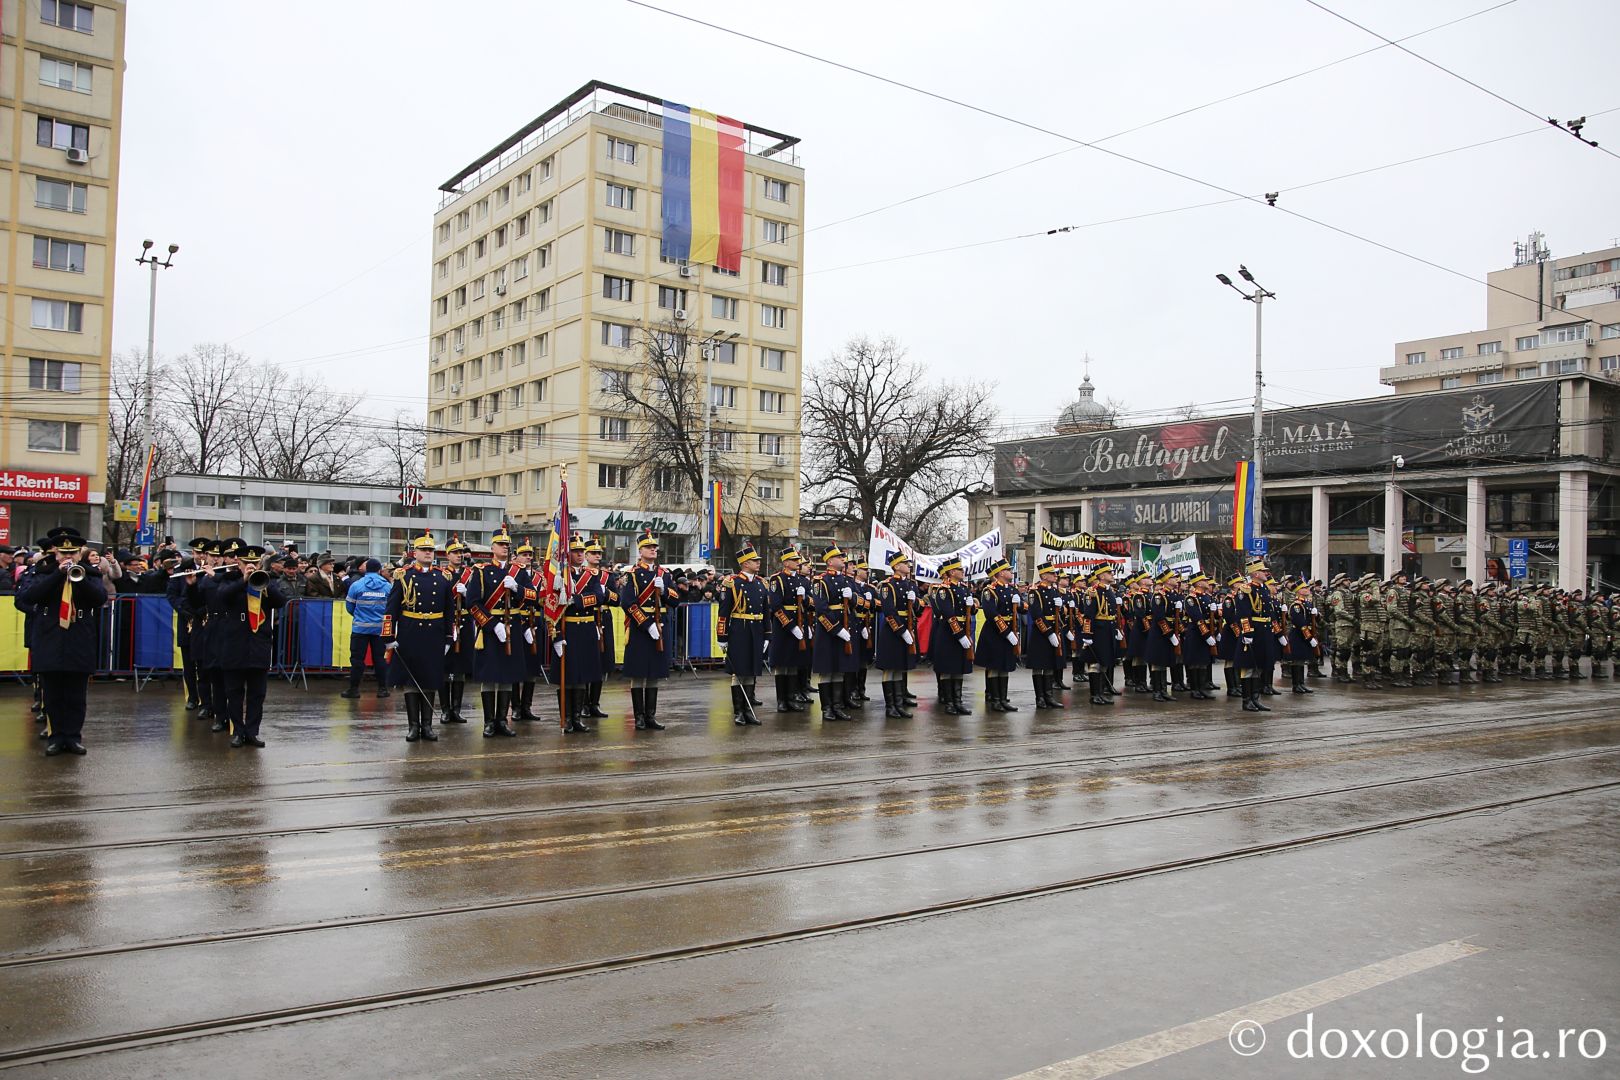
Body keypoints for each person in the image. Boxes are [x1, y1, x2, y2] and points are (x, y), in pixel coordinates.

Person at [23, 530, 108, 755]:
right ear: (55, 552)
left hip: (78, 637)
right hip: (50, 636)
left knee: (76, 695)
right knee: (52, 694)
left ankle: (72, 737)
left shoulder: (90, 573)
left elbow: (99, 598)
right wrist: (57, 575)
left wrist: (76, 578)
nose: (67, 557)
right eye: (63, 553)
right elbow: (31, 596)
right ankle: (55, 736)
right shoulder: (44, 571)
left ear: (80, 553)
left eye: (72, 552)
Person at [383, 534, 454, 742]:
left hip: (434, 633)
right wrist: (388, 635)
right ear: (415, 553)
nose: (428, 553)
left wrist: (449, 637)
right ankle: (413, 726)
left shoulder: (443, 577)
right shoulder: (403, 576)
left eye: (431, 550)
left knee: (430, 679)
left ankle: (427, 726)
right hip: (410, 632)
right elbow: (391, 609)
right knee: (411, 681)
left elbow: (449, 611)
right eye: (424, 550)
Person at [464, 530, 534, 737]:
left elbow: (533, 597)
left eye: (507, 544)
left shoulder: (519, 572)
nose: (505, 547)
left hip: (512, 626)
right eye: (500, 544)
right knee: (490, 676)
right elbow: (473, 604)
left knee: (508, 676)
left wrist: (517, 589)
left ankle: (502, 720)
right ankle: (488, 722)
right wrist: (493, 624)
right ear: (492, 548)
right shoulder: (481, 571)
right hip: (491, 629)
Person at [216, 544, 287, 748]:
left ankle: (252, 732)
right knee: (234, 693)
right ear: (238, 562)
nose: (251, 566)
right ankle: (237, 731)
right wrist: (243, 581)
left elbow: (281, 601)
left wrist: (265, 585)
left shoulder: (266, 580)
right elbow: (222, 598)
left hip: (259, 645)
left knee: (257, 694)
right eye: (246, 563)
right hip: (234, 645)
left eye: (254, 563)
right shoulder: (228, 579)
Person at [617, 529, 680, 730]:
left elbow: (676, 600)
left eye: (654, 547)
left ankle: (650, 716)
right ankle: (639, 717)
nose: (653, 550)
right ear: (640, 550)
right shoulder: (632, 574)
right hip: (640, 628)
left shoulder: (664, 574)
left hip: (661, 625)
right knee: (638, 672)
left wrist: (664, 591)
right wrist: (646, 624)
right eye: (649, 547)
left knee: (654, 672)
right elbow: (627, 603)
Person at [551, 537, 606, 734]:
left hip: (586, 630)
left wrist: (576, 600)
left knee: (583, 675)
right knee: (568, 676)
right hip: (569, 631)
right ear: (568, 554)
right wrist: (556, 635)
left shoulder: (590, 575)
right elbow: (550, 608)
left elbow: (599, 597)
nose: (580, 554)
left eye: (582, 550)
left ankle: (577, 717)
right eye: (575, 551)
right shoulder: (558, 576)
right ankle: (565, 718)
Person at [717, 544, 768, 725]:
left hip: (756, 629)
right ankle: (738, 711)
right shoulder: (732, 583)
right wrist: (721, 636)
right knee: (739, 671)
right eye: (755, 561)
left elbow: (766, 611)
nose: (758, 563)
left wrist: (767, 635)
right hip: (740, 629)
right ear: (745, 563)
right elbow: (724, 612)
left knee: (752, 671)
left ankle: (748, 710)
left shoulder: (761, 583)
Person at [810, 546, 860, 721]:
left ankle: (837, 706)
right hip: (829, 632)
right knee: (827, 670)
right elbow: (821, 610)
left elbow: (856, 603)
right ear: (830, 561)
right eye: (839, 557)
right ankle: (827, 709)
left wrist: (852, 597)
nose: (843, 559)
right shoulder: (821, 581)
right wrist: (838, 630)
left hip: (846, 628)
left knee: (840, 669)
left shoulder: (846, 581)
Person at [874, 550, 921, 719]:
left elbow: (918, 610)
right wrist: (902, 631)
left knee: (900, 667)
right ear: (896, 566)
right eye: (905, 563)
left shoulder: (910, 585)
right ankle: (890, 706)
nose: (908, 566)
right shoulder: (888, 585)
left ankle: (899, 704)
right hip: (893, 632)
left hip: (907, 628)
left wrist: (914, 601)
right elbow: (888, 611)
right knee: (890, 668)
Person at [927, 556, 976, 715]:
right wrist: (960, 634)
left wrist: (972, 606)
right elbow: (948, 613)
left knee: (959, 668)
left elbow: (968, 612)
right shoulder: (943, 590)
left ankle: (958, 701)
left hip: (962, 629)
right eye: (960, 569)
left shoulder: (963, 588)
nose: (963, 572)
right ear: (952, 572)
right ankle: (949, 702)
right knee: (948, 668)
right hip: (949, 632)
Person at [974, 559, 1023, 713]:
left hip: (1009, 630)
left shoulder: (1012, 589)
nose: (1011, 572)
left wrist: (1021, 604)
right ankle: (995, 700)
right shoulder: (990, 591)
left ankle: (1003, 698)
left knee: (1005, 666)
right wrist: (1007, 632)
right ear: (1001, 573)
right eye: (1008, 570)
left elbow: (1021, 610)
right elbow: (991, 614)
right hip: (995, 633)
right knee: (995, 666)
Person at [767, 546, 812, 712]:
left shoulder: (803, 581)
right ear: (785, 562)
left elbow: (811, 604)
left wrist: (805, 598)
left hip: (800, 624)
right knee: (782, 663)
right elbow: (776, 606)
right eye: (794, 560)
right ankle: (781, 700)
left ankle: (792, 698)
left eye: (798, 560)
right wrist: (791, 626)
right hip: (784, 626)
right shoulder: (777, 580)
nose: (797, 563)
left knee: (794, 662)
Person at [341, 558, 391, 699]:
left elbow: (349, 606)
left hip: (360, 629)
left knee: (357, 659)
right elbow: (391, 607)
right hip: (379, 629)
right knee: (379, 659)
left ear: (365, 569)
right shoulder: (387, 586)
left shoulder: (357, 585)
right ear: (379, 570)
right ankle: (382, 689)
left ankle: (354, 689)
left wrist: (359, 617)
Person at [1230, 558, 1274, 712]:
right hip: (1253, 631)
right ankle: (1246, 700)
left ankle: (1256, 698)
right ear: (1255, 573)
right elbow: (1243, 613)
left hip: (1264, 631)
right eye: (1263, 571)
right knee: (1248, 667)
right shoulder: (1245, 590)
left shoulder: (1264, 589)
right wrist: (1247, 632)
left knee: (1260, 666)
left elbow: (1269, 611)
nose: (1266, 573)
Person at [509, 540, 545, 723]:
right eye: (524, 555)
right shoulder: (511, 574)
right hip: (517, 621)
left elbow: (541, 599)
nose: (528, 558)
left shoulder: (540, 577)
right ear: (516, 557)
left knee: (532, 666)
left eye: (530, 555)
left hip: (535, 622)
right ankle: (515, 707)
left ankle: (527, 706)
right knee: (516, 666)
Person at [439, 539, 474, 723]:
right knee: (445, 667)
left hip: (465, 621)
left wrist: (467, 592)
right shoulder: (442, 574)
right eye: (455, 552)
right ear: (447, 555)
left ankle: (456, 709)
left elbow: (478, 599)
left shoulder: (471, 574)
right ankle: (445, 709)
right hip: (448, 622)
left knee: (460, 667)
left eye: (461, 552)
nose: (459, 555)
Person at [1025, 562, 1064, 709]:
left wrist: (1061, 609)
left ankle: (1049, 696)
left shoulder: (1054, 591)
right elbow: (1036, 615)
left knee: (1049, 664)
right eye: (1052, 573)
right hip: (1041, 633)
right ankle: (1039, 697)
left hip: (1054, 629)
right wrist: (1048, 633)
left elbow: (1057, 615)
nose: (1055, 576)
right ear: (1043, 576)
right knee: (1039, 665)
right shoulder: (1035, 592)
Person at [582, 539, 613, 719]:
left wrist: (606, 593)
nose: (597, 556)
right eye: (594, 553)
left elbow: (616, 598)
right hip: (588, 616)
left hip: (604, 618)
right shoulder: (582, 574)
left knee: (601, 662)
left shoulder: (607, 576)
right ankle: (584, 703)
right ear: (586, 555)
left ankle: (595, 703)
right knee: (588, 661)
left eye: (599, 553)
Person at [1284, 582, 1319, 693]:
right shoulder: (1297, 606)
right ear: (1298, 591)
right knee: (1297, 660)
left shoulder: (1307, 603)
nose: (1307, 589)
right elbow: (1300, 623)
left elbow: (1312, 621)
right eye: (1304, 588)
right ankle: (1296, 684)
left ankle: (1301, 683)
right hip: (1299, 635)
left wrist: (1317, 615)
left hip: (1305, 635)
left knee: (1302, 660)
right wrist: (1309, 638)